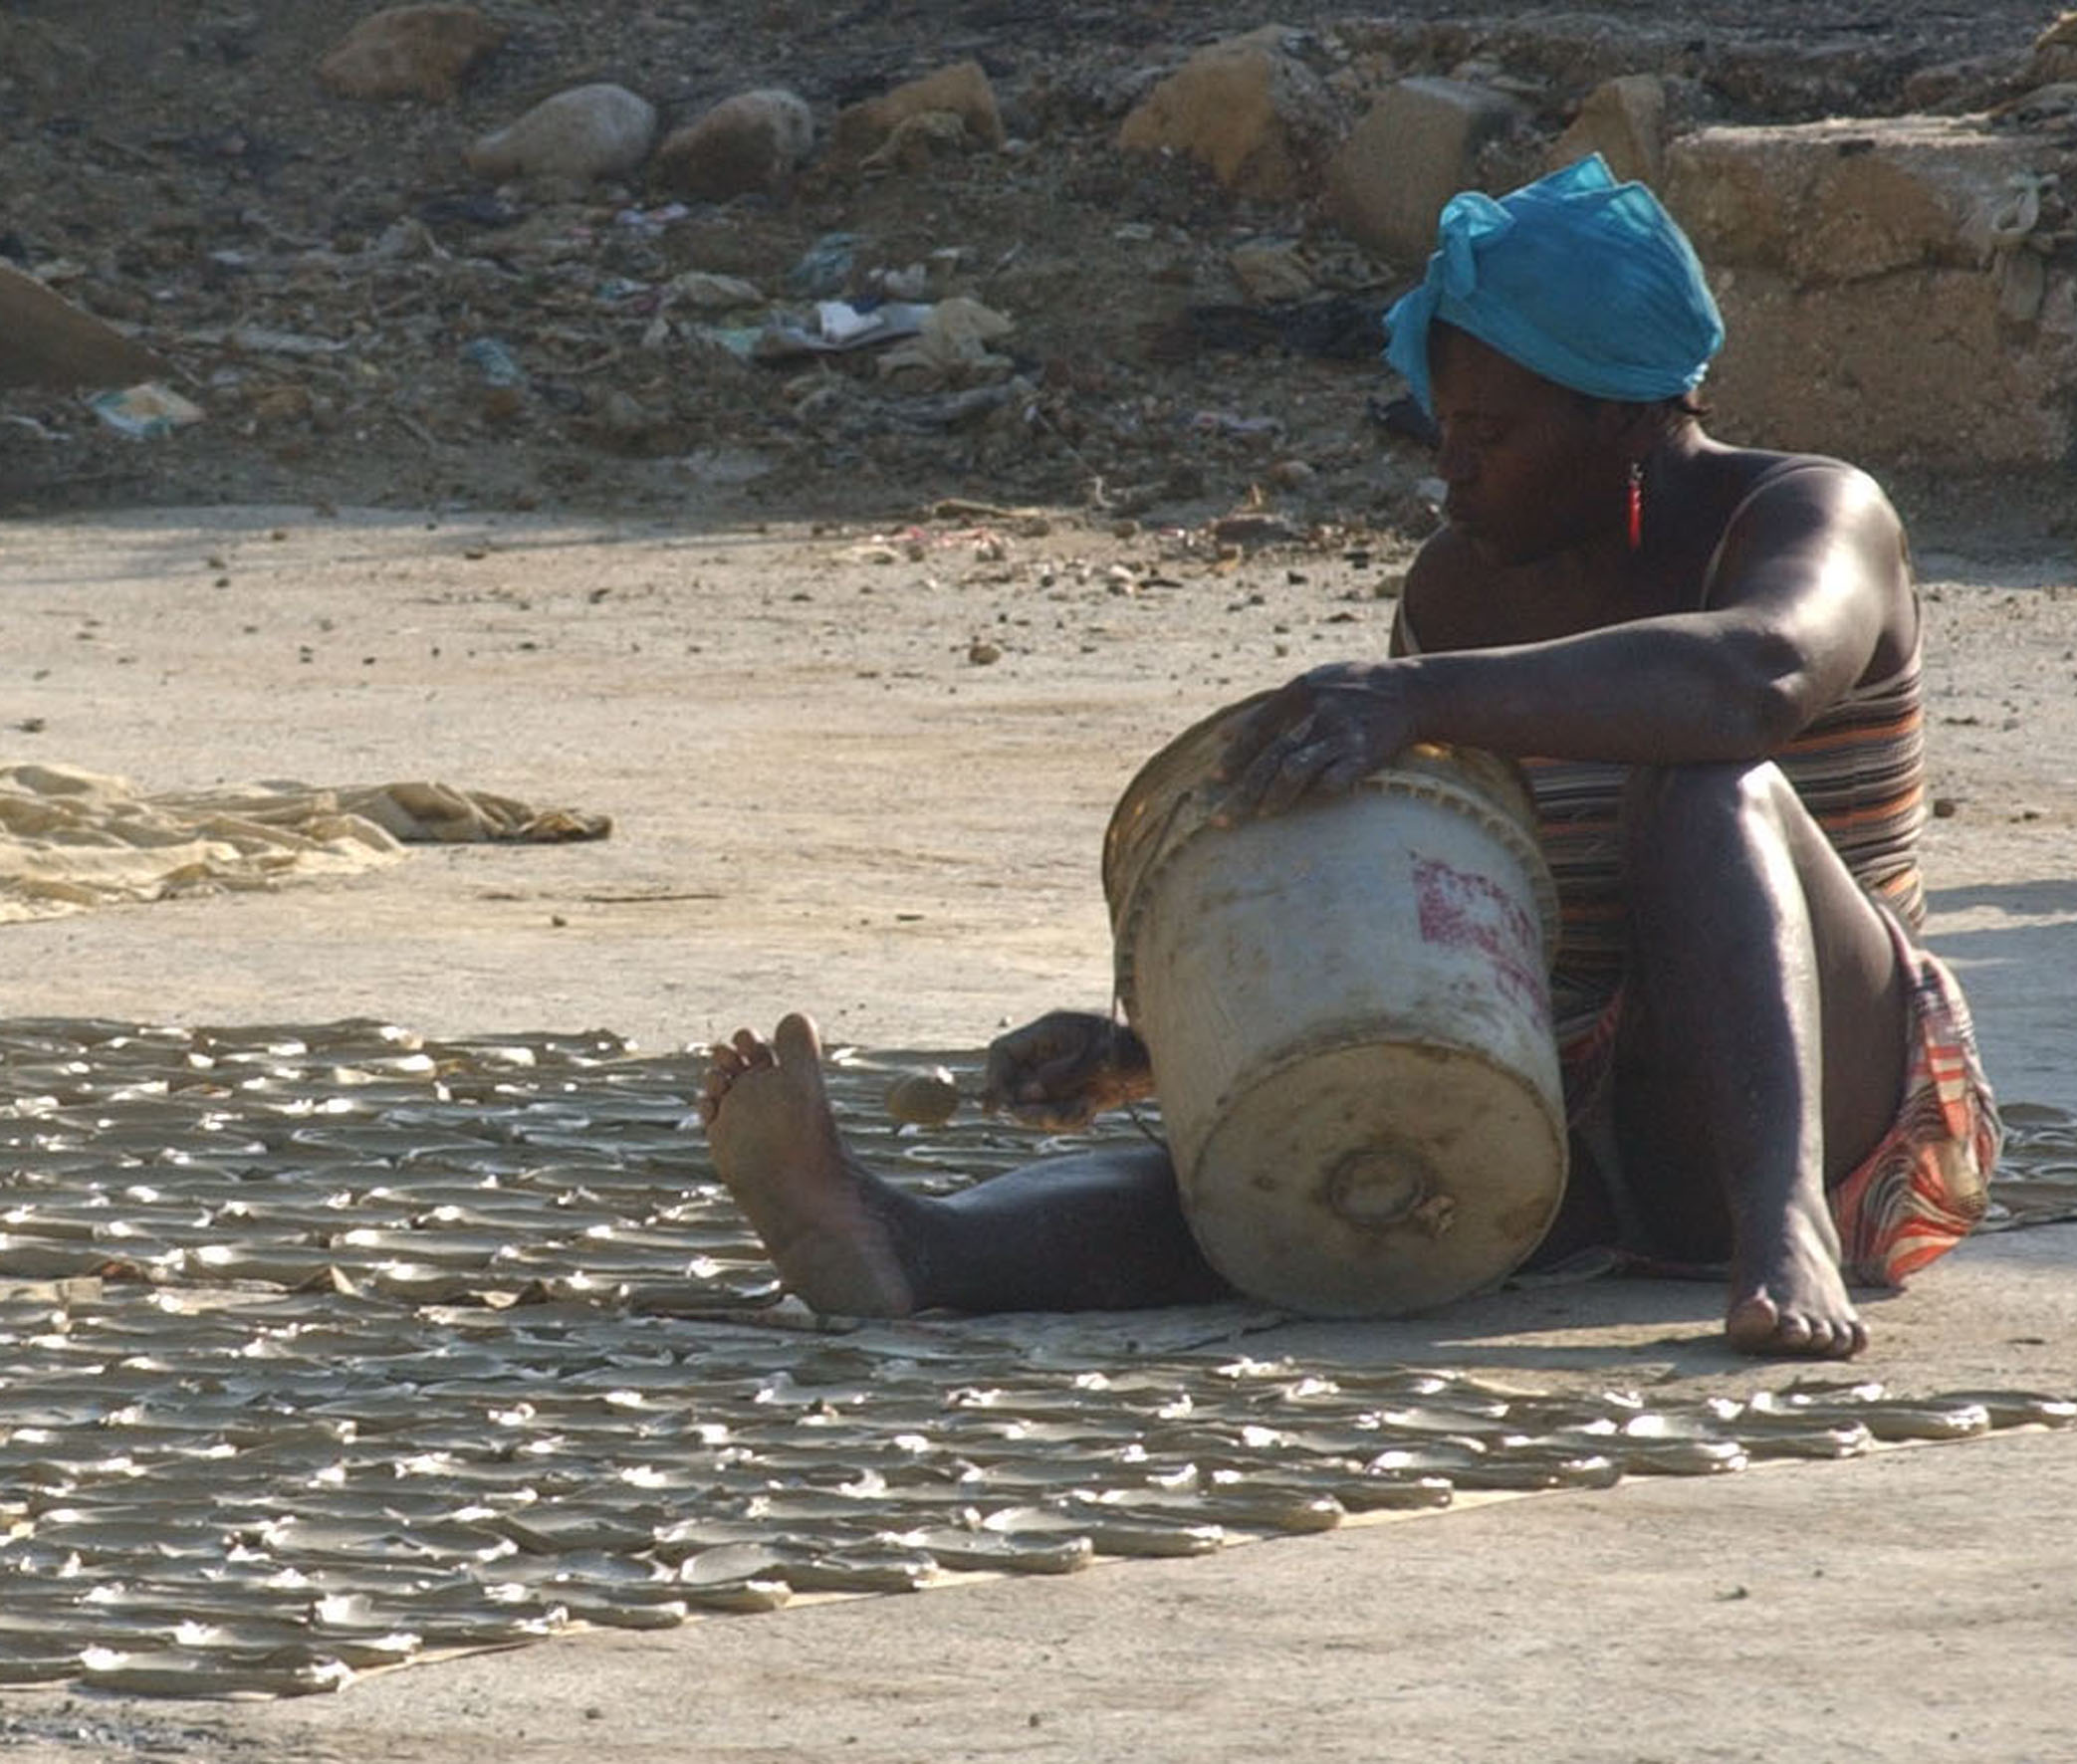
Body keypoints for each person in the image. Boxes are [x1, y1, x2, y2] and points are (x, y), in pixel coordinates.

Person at [698, 156, 1998, 1360]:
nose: (1454, 471)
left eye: (1493, 434)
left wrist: (1413, 692)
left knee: (1700, 769)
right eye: (1445, 426)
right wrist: (1165, 1049)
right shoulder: (1461, 593)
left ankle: (1783, 1236)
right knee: (1288, 1172)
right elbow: (1440, 914)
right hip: (1601, 1104)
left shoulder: (1809, 514)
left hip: (1841, 1101)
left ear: (1618, 419)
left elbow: (1752, 681)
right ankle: (900, 1238)